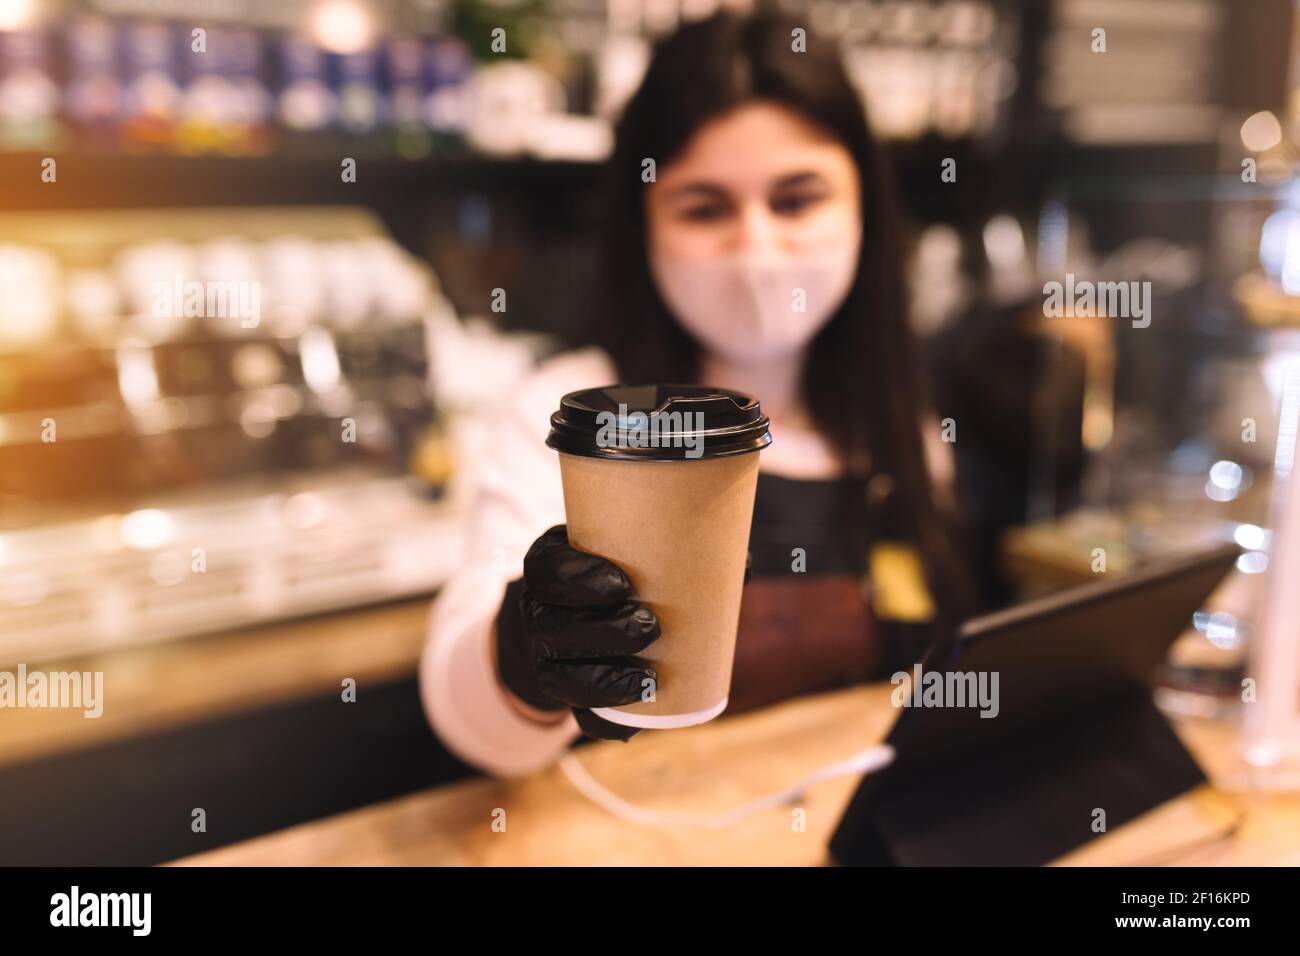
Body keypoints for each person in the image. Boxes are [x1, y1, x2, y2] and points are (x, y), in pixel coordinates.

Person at [419, 11, 975, 777]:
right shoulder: (567, 413)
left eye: (796, 199)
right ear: (643, 223)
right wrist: (519, 656)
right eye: (705, 207)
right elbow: (471, 714)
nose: (757, 247)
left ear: (865, 210)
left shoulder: (900, 425)